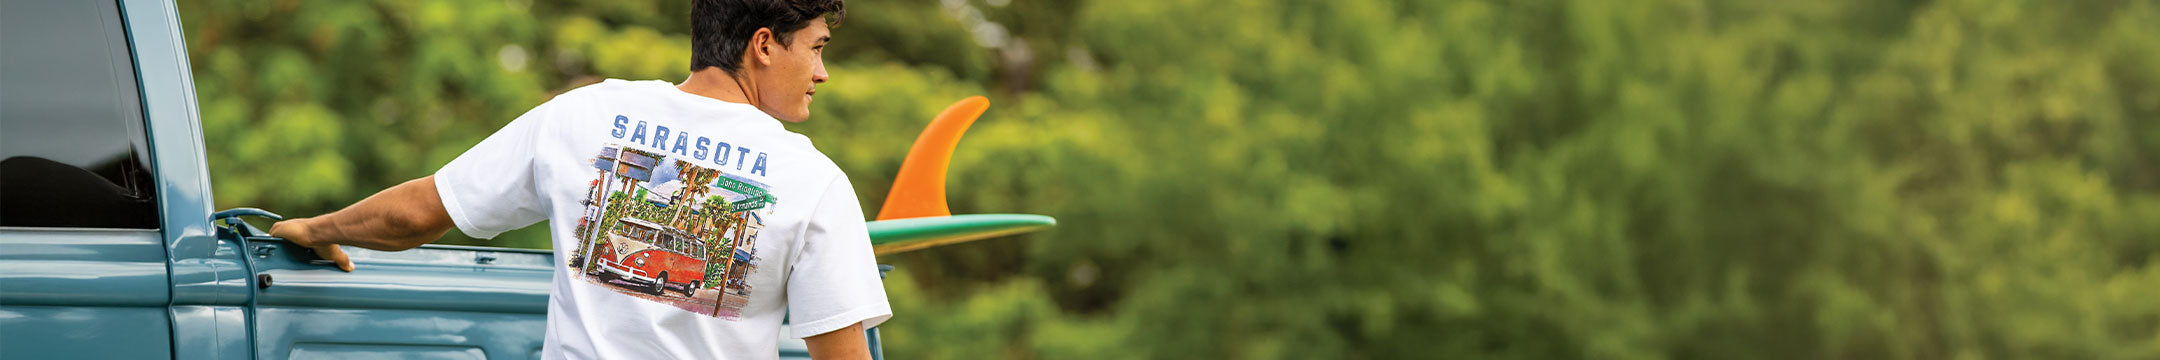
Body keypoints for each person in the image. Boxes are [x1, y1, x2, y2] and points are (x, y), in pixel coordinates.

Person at [266, 0, 888, 358]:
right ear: (762, 44)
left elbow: (419, 213)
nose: (823, 71)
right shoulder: (813, 181)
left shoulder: (585, 114)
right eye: (817, 47)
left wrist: (316, 227)